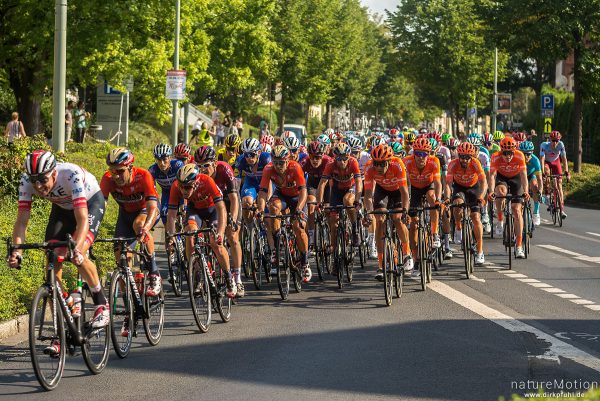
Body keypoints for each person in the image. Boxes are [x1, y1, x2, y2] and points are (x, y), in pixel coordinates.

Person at [8, 150, 110, 353]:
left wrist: (77, 249)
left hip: (89, 204)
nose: (38, 186)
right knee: (52, 258)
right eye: (34, 180)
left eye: (42, 180)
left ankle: (101, 303)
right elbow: (21, 222)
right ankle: (66, 312)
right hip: (62, 210)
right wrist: (17, 251)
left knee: (78, 255)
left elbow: (82, 221)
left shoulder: (70, 175)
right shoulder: (26, 182)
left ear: (54, 173)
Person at [100, 148, 163, 320]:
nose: (116, 176)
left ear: (130, 167)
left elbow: (152, 207)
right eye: (113, 171)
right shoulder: (107, 179)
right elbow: (99, 207)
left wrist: (146, 228)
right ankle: (130, 305)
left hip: (146, 211)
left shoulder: (143, 176)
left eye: (120, 171)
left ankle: (154, 272)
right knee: (121, 259)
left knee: (139, 225)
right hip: (125, 216)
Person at [166, 164, 237, 298]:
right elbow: (171, 214)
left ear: (196, 183)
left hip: (213, 210)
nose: (183, 191)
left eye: (187, 187)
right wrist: (171, 236)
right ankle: (197, 274)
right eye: (181, 186)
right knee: (190, 234)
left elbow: (221, 208)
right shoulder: (176, 187)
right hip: (195, 211)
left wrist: (221, 233)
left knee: (215, 242)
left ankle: (229, 277)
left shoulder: (206, 181)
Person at [257, 145, 311, 282]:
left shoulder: (295, 167)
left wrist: (299, 209)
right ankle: (276, 250)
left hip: (297, 197)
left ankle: (305, 262)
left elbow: (303, 191)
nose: (278, 165)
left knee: (298, 227)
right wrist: (261, 210)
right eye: (275, 162)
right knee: (273, 209)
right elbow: (263, 191)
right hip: (281, 195)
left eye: (281, 162)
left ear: (287, 161)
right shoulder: (268, 168)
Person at [194, 146, 244, 297]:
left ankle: (237, 277)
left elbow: (235, 199)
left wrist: (233, 220)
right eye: (199, 166)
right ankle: (204, 273)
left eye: (206, 166)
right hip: (212, 205)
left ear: (215, 163)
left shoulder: (224, 169)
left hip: (229, 200)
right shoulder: (197, 176)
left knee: (233, 237)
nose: (202, 169)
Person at [363, 144, 413, 280]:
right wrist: (368, 212)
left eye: (382, 164)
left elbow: (404, 193)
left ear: (389, 161)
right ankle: (381, 265)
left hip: (398, 191)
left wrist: (405, 212)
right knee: (379, 221)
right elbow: (368, 196)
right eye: (376, 164)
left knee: (397, 218)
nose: (378, 167)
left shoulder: (398, 165)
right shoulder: (369, 167)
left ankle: (406, 253)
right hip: (382, 189)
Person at [446, 142, 488, 265]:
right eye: (462, 157)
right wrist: (447, 197)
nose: (464, 160)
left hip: (474, 188)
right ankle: (458, 228)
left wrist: (481, 197)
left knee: (475, 217)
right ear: (458, 155)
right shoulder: (453, 164)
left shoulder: (476, 163)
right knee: (457, 204)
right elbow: (448, 184)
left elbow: (484, 183)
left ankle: (480, 251)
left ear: (472, 157)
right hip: (459, 187)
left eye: (467, 157)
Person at [489, 137, 529, 259]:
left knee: (517, 210)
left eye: (510, 153)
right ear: (501, 151)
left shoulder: (519, 156)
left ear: (514, 151)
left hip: (516, 179)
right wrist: (491, 191)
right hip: (502, 177)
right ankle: (500, 220)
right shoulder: (495, 156)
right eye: (505, 153)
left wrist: (526, 191)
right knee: (501, 192)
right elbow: (492, 176)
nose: (508, 156)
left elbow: (523, 175)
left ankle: (518, 246)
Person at [539, 130, 570, 219]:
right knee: (547, 172)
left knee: (559, 185)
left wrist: (567, 172)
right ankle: (547, 193)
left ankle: (561, 209)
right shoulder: (544, 145)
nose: (555, 143)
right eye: (553, 140)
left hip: (556, 162)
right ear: (550, 139)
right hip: (547, 162)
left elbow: (564, 158)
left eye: (557, 140)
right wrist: (543, 173)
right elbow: (542, 158)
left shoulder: (561, 145)